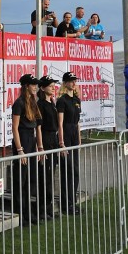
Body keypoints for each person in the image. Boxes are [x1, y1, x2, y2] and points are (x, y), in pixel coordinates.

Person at [11, 74, 43, 225]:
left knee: (30, 179)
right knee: (20, 180)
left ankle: (28, 212)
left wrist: (38, 146)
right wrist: (20, 150)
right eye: (33, 84)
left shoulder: (33, 102)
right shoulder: (19, 103)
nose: (35, 87)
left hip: (31, 140)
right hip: (22, 140)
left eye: (36, 84)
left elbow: (36, 127)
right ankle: (20, 214)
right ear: (26, 86)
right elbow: (15, 128)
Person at [57, 71, 82, 215]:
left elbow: (77, 122)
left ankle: (73, 201)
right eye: (71, 81)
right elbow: (60, 123)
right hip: (66, 135)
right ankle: (66, 204)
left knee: (75, 171)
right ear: (65, 83)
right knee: (67, 170)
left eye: (75, 80)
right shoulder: (62, 100)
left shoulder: (77, 100)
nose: (74, 83)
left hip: (74, 136)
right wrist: (61, 143)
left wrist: (79, 140)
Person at [37, 75, 60, 219]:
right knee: (44, 176)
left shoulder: (52, 103)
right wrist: (40, 147)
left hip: (53, 139)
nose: (53, 88)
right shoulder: (40, 105)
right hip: (45, 139)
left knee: (51, 176)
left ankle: (49, 207)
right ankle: (42, 209)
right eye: (50, 86)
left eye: (54, 85)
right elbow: (39, 127)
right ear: (42, 88)